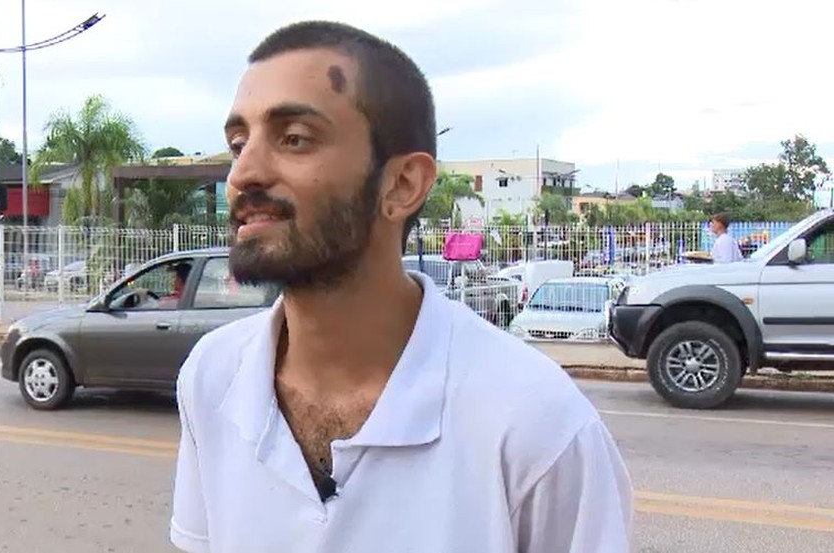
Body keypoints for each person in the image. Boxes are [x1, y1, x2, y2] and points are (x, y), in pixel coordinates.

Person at [170, 20, 633, 553]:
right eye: (237, 143)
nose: (243, 173)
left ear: (402, 184)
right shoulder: (212, 375)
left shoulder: (536, 423)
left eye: (294, 138)